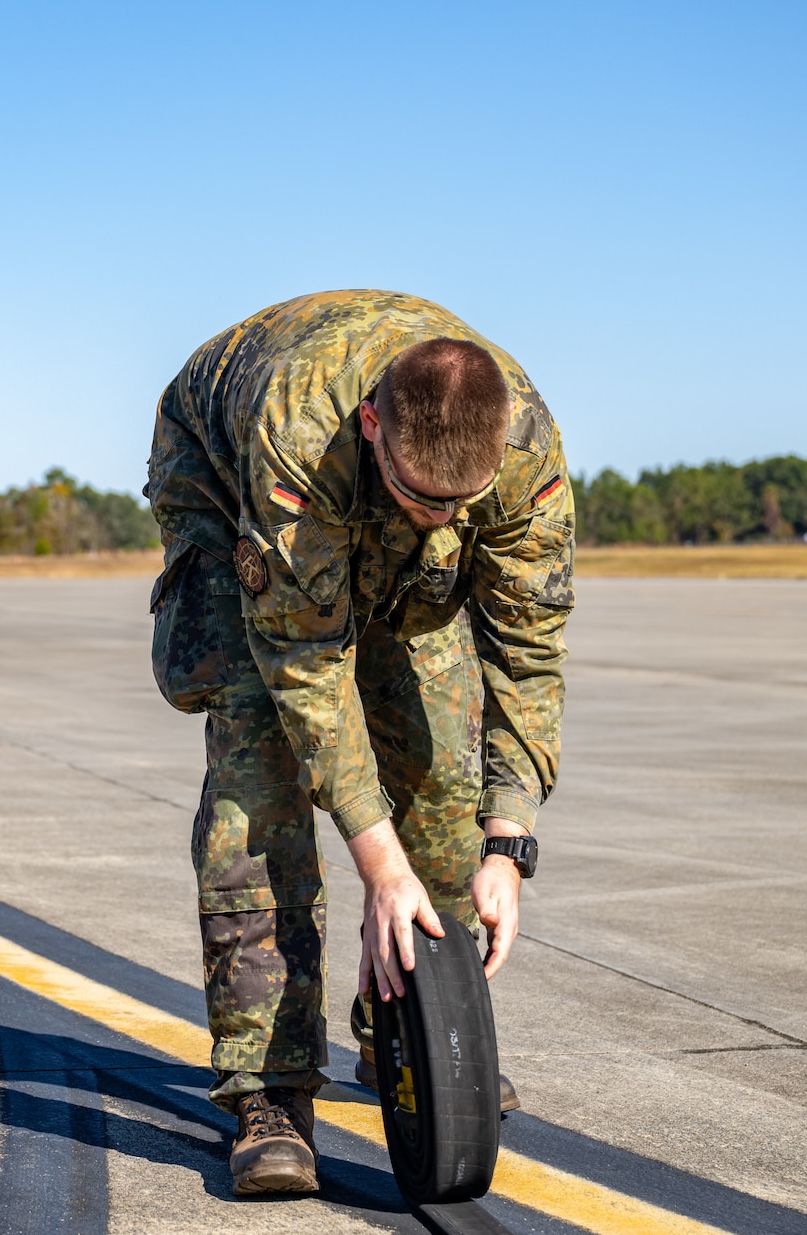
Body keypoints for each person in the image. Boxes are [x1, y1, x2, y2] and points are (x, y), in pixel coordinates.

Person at [145, 289, 573, 1196]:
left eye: (460, 506)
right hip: (225, 483)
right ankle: (270, 1086)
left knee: (438, 769)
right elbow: (305, 663)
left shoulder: (527, 453)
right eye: (421, 500)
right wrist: (380, 864)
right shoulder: (298, 434)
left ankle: (405, 1029)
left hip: (371, 482)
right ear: (373, 424)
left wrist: (509, 842)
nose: (437, 524)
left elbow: (528, 651)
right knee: (258, 773)